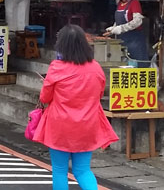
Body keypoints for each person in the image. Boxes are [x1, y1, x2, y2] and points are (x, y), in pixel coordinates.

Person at [32, 25, 118, 190]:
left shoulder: (57, 67)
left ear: (62, 45)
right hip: (87, 126)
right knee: (83, 170)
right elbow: (98, 95)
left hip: (60, 127)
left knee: (59, 171)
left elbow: (45, 97)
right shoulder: (96, 68)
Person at [104, 0, 150, 66]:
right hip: (122, 40)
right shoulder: (119, 4)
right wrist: (113, 28)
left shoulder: (134, 3)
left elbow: (138, 21)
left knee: (138, 65)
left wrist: (121, 28)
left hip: (135, 41)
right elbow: (118, 20)